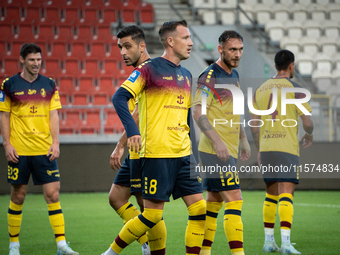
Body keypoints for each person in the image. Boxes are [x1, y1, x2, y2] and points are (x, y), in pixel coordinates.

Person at [101, 20, 206, 255]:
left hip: (183, 155)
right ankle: (111, 253)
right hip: (156, 153)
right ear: (170, 41)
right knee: (150, 214)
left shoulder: (187, 75)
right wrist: (132, 132)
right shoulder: (149, 69)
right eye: (186, 38)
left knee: (200, 209)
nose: (191, 43)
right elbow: (119, 98)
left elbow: (188, 120)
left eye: (190, 38)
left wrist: (195, 157)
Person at [0, 43, 78, 255]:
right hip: (20, 151)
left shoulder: (49, 84)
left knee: (53, 195)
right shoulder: (9, 85)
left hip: (45, 151)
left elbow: (53, 115)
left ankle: (61, 245)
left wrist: (56, 142)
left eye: (38, 59)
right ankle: (14, 245)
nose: (36, 63)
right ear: (22, 60)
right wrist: (7, 144)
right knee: (18, 196)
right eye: (32, 60)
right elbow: (4, 115)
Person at [108, 25, 166, 255]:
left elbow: (139, 115)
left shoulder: (148, 71)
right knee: (116, 197)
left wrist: (120, 145)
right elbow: (138, 114)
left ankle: (152, 250)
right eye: (120, 47)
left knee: (148, 209)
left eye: (127, 46)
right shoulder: (142, 71)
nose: (122, 52)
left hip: (147, 151)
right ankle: (145, 244)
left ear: (142, 46)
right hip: (136, 151)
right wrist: (122, 145)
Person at [192, 30, 251, 255]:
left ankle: (204, 252)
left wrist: (243, 138)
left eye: (240, 49)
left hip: (229, 147)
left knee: (214, 201)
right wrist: (217, 142)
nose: (237, 54)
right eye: (232, 50)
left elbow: (234, 113)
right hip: (215, 149)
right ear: (220, 50)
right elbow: (198, 112)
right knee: (235, 199)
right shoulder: (209, 75)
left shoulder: (233, 76)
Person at [250, 49, 314, 254]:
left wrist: (259, 149)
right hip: (286, 147)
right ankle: (285, 242)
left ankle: (269, 242)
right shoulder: (296, 89)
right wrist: (309, 134)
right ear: (291, 65)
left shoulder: (260, 89)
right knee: (286, 193)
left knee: (270, 195)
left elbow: (253, 125)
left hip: (267, 147)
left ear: (276, 65)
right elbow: (308, 122)